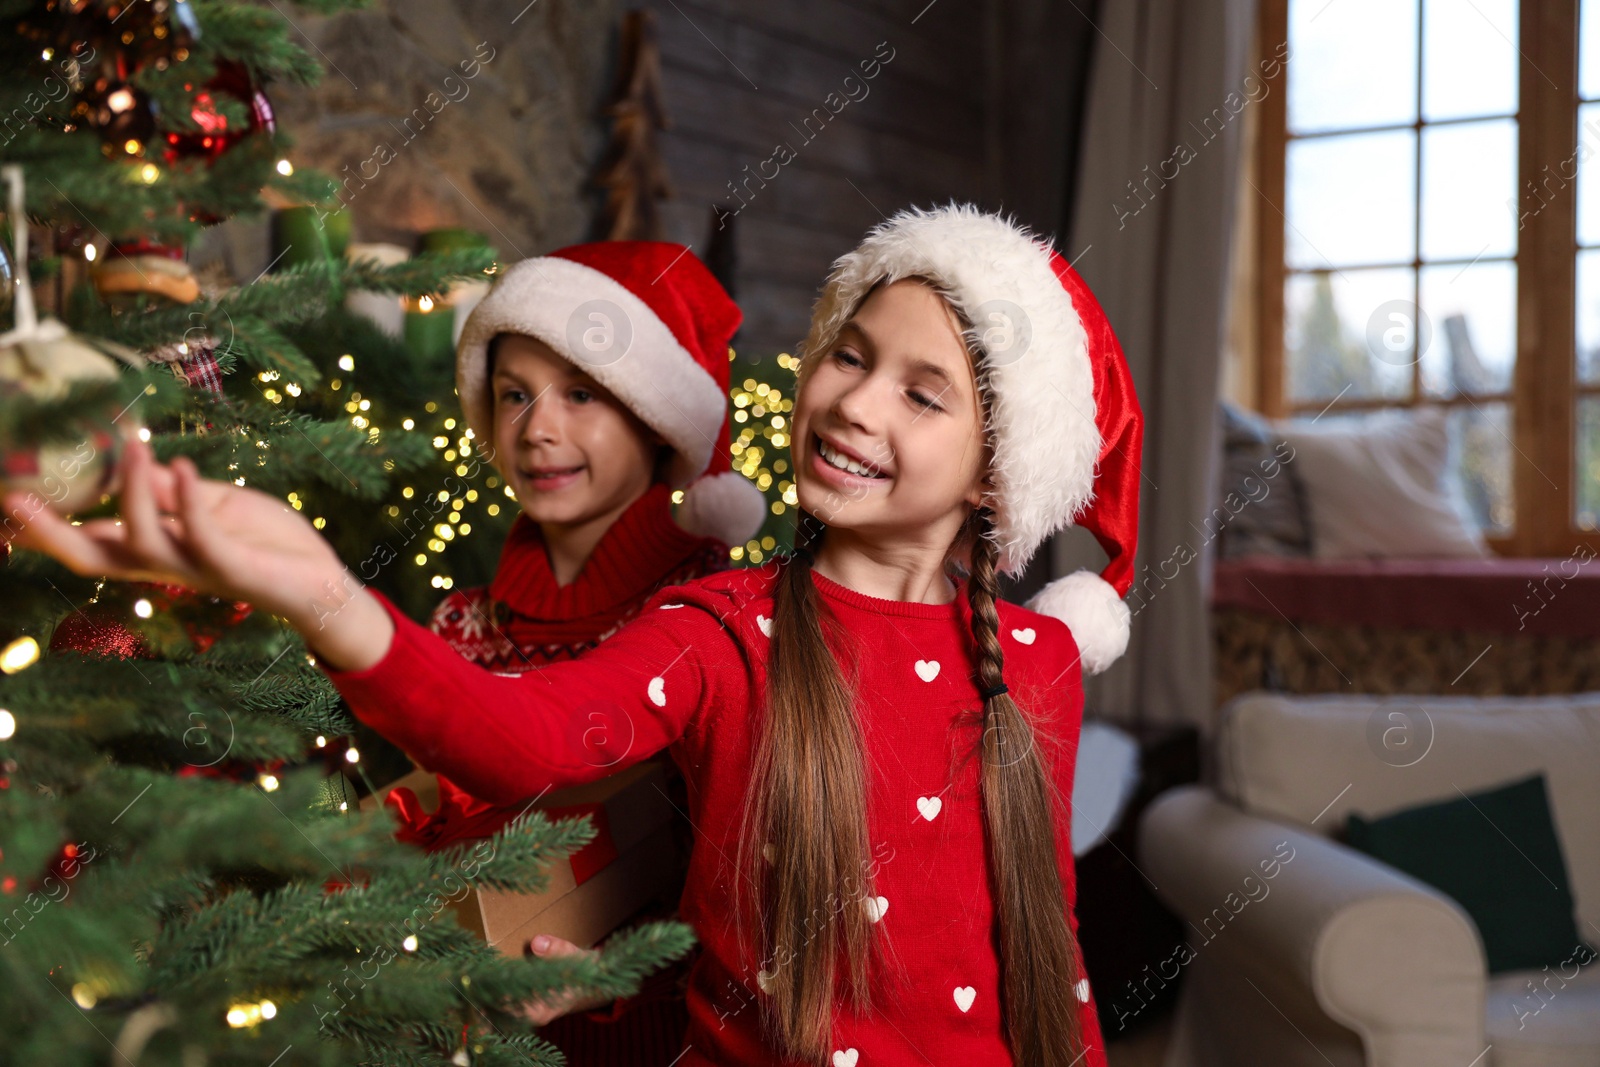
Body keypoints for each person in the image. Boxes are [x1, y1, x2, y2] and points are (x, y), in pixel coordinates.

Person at [8, 203, 1142, 1066]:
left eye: (921, 392)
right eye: (850, 354)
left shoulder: (1035, 664)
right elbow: (527, 738)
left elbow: (1047, 956)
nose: (854, 403)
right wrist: (317, 588)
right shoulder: (721, 628)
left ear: (1000, 474)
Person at [396, 241, 765, 1061]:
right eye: (514, 395)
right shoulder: (463, 626)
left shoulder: (709, 623)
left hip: (652, 1033)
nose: (539, 429)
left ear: (658, 419)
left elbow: (757, 875)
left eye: (581, 393)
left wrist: (619, 972)